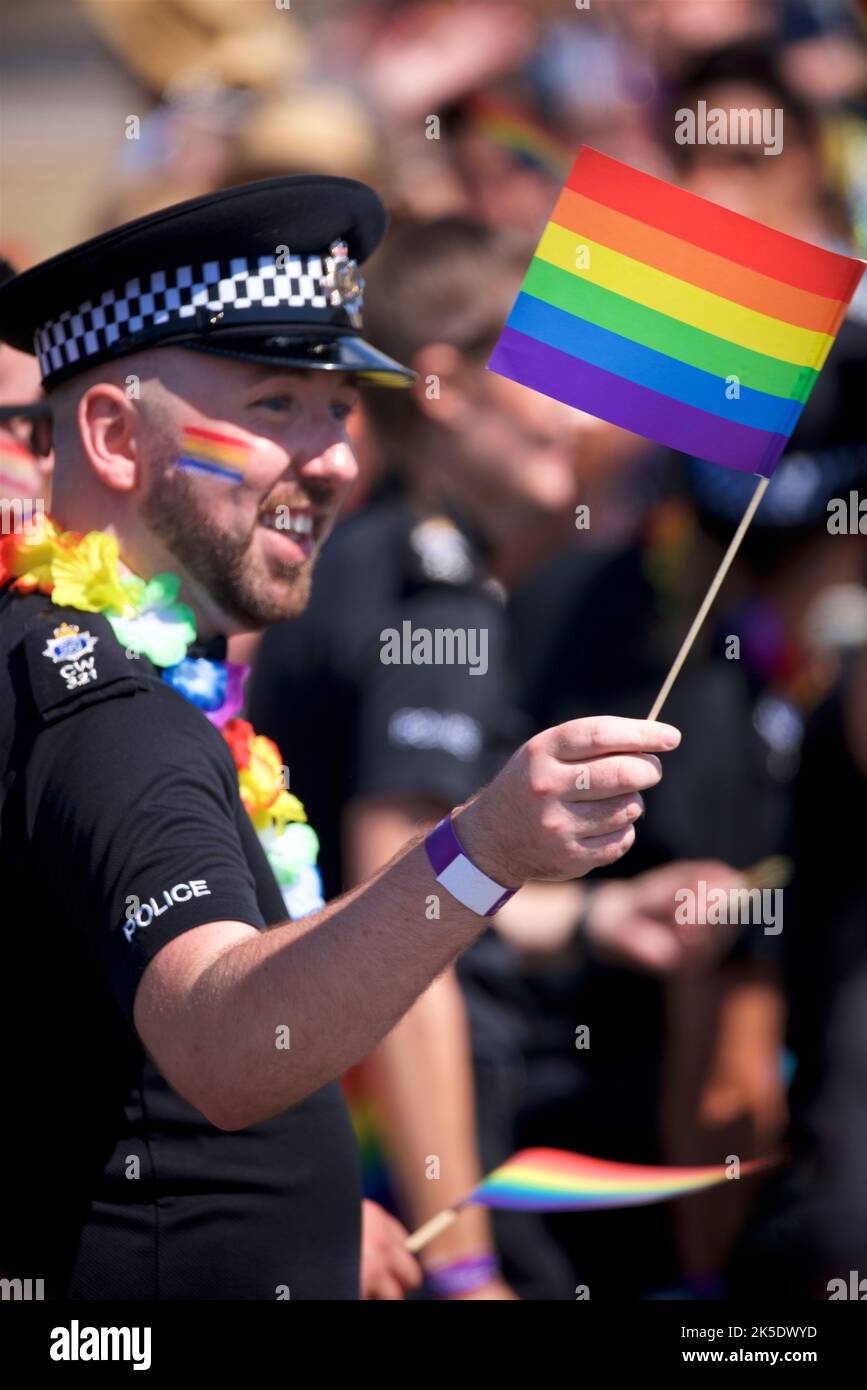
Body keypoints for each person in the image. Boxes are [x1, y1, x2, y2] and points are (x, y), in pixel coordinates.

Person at [0, 177, 679, 1300]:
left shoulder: (117, 667)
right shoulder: (106, 714)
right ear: (115, 437)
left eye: (340, 408)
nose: (337, 459)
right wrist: (486, 848)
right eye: (276, 406)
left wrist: (312, 1219)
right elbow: (225, 1044)